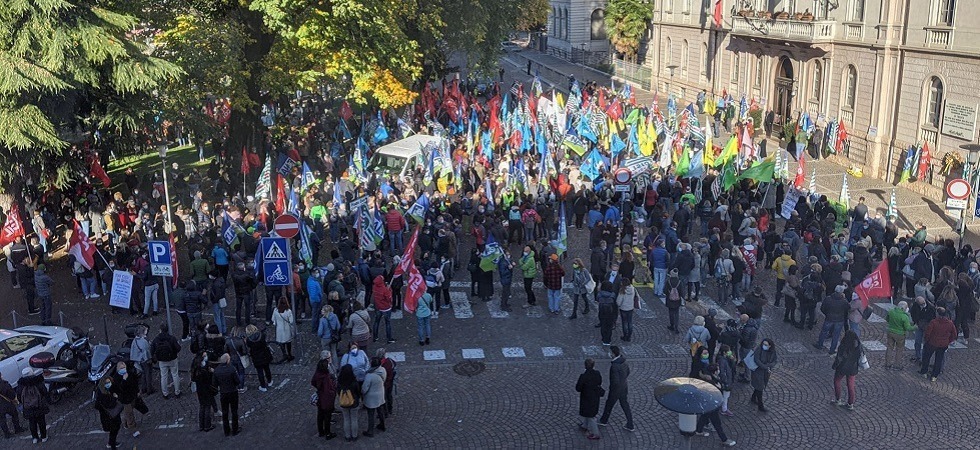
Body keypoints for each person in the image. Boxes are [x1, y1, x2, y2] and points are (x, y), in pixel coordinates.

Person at [693, 364, 737, 447]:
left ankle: (699, 430)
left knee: (704, 416)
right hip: (712, 405)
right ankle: (724, 439)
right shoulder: (712, 382)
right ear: (715, 372)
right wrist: (720, 388)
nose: (719, 370)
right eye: (718, 369)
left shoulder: (712, 379)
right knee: (717, 423)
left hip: (709, 405)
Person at [598, 345, 635, 432]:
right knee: (625, 404)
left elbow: (615, 381)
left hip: (616, 390)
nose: (610, 354)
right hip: (624, 387)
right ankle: (630, 424)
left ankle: (604, 420)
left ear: (613, 354)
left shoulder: (614, 366)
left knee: (609, 404)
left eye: (611, 352)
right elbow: (628, 372)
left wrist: (612, 388)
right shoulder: (623, 361)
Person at [919, 307, 958, 381]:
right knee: (939, 359)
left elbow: (928, 333)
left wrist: (927, 340)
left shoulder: (933, 322)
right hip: (943, 344)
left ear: (937, 314)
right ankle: (934, 376)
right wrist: (948, 341)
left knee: (926, 357)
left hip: (932, 343)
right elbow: (954, 334)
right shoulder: (950, 323)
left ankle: (924, 372)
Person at [831, 330, 862, 410]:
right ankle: (850, 404)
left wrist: (834, 366)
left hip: (842, 367)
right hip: (852, 368)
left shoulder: (843, 346)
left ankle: (838, 399)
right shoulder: (858, 346)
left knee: (837, 381)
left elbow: (839, 358)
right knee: (851, 386)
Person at [814, 285, 849, 355]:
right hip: (839, 320)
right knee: (836, 335)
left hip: (829, 318)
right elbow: (847, 309)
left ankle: (820, 344)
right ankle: (832, 349)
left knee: (824, 332)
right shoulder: (844, 301)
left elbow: (822, 308)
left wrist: (827, 314)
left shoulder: (828, 299)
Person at [109, 360, 141, 438]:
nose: (123, 369)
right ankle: (133, 429)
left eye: (124, 367)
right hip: (124, 398)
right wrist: (124, 380)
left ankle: (125, 422)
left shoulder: (130, 373)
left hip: (132, 396)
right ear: (118, 369)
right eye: (121, 368)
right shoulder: (116, 378)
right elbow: (120, 389)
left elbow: (135, 383)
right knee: (129, 413)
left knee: (129, 411)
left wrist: (137, 391)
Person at [150, 323, 182, 398]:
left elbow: (152, 350)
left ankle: (165, 393)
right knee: (175, 375)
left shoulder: (156, 339)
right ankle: (177, 392)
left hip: (162, 360)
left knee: (163, 376)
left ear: (160, 330)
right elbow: (178, 348)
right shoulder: (172, 338)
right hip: (172, 359)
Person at [16, 368, 48, 443]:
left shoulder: (21, 385)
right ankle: (43, 437)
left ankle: (35, 438)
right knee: (41, 422)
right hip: (39, 406)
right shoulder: (38, 381)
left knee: (32, 423)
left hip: (28, 408)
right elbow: (44, 391)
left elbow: (19, 397)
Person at [574, 358, 604, 441]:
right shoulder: (597, 373)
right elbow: (600, 382)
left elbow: (578, 388)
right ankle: (585, 425)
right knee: (590, 413)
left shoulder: (583, 376)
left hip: (586, 398)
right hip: (595, 397)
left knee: (590, 416)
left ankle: (596, 433)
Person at [311, 351, 338, 439]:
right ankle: (328, 433)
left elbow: (313, 381)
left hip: (321, 396)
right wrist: (333, 391)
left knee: (320, 415)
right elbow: (331, 388)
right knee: (327, 416)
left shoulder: (318, 373)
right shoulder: (327, 377)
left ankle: (321, 431)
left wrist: (319, 388)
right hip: (328, 398)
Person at [213, 354, 241, 436]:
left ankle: (226, 431)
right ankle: (235, 429)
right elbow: (237, 381)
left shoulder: (216, 370)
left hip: (223, 393)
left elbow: (214, 383)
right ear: (227, 360)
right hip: (233, 392)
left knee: (225, 412)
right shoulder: (232, 369)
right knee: (234, 411)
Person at [884, 300, 916, 370]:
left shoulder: (891, 311)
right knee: (899, 350)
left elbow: (887, 319)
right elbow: (908, 328)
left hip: (890, 332)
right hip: (900, 334)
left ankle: (887, 364)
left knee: (889, 348)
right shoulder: (904, 317)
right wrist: (915, 327)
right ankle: (897, 365)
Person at [361, 357, 387, 437]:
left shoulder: (369, 376)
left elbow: (364, 389)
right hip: (380, 394)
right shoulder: (382, 370)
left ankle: (370, 431)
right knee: (380, 411)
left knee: (371, 414)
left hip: (371, 398)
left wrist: (362, 393)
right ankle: (382, 425)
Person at [749, 338, 778, 412]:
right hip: (758, 371)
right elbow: (756, 360)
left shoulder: (773, 352)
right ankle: (760, 405)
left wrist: (769, 365)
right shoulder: (759, 349)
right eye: (763, 344)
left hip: (766, 372)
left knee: (760, 386)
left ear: (770, 346)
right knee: (760, 387)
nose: (764, 346)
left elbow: (775, 360)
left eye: (766, 345)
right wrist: (765, 366)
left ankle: (753, 397)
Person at [94, 376, 122, 449]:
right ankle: (112, 445)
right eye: (106, 383)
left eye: (109, 382)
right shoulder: (102, 394)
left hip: (109, 415)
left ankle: (111, 442)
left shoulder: (104, 390)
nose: (108, 384)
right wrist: (115, 397)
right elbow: (110, 405)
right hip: (109, 416)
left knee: (114, 429)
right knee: (114, 429)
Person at [190, 352, 216, 432]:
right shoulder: (204, 369)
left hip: (199, 389)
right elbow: (209, 379)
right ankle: (207, 425)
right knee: (207, 406)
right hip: (206, 388)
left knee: (202, 405)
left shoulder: (195, 368)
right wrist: (211, 372)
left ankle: (201, 425)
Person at [337, 364, 362, 442]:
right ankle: (354, 435)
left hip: (344, 402)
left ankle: (347, 436)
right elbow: (358, 392)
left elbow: (338, 392)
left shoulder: (339, 382)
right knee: (354, 419)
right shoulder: (354, 382)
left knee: (346, 419)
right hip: (354, 402)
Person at [245, 325, 273, 392]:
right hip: (265, 355)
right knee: (267, 369)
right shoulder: (261, 335)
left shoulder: (248, 340)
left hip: (256, 357)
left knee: (260, 372)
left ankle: (263, 386)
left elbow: (249, 347)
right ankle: (269, 381)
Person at [0, 372, 25, 438]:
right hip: (7, 404)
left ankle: (7, 434)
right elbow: (11, 394)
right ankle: (17, 428)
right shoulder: (4, 384)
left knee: (2, 420)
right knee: (14, 414)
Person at [129, 324, 152, 395]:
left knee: (143, 373)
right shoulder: (143, 341)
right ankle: (149, 389)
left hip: (139, 360)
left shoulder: (135, 340)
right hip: (145, 360)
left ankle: (143, 388)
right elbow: (147, 351)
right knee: (148, 374)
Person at [371, 275, 395, 343]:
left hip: (378, 307)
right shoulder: (385, 290)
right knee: (387, 323)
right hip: (386, 308)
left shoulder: (374, 287)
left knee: (376, 322)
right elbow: (389, 298)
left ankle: (375, 337)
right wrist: (389, 290)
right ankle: (389, 338)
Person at [272, 297, 295, 362]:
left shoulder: (275, 310)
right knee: (288, 342)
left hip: (279, 329)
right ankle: (289, 355)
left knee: (282, 343)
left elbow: (273, 319)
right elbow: (291, 321)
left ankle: (284, 354)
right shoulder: (288, 311)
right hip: (287, 329)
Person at [717, 345, 736, 416]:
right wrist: (726, 381)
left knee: (725, 395)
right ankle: (724, 409)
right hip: (726, 381)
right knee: (725, 396)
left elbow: (732, 367)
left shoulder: (725, 359)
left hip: (728, 379)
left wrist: (732, 360)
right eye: (728, 351)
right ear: (724, 352)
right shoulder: (722, 361)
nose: (730, 352)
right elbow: (722, 373)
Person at [596, 281, 617, 346]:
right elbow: (614, 303)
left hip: (602, 311)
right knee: (609, 326)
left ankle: (604, 339)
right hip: (610, 312)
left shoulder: (599, 294)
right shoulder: (613, 295)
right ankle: (608, 340)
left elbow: (597, 299)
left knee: (603, 325)